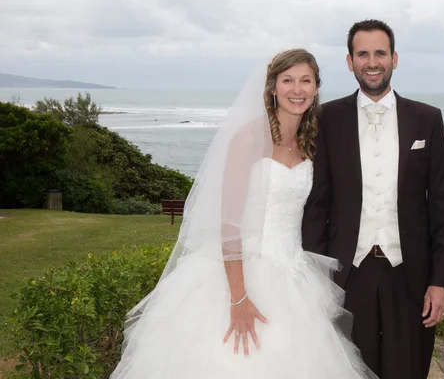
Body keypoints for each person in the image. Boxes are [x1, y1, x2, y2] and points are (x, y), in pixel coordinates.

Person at [110, 49, 376, 378]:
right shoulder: (249, 137)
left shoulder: (310, 143)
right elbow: (229, 223)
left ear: (317, 88)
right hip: (241, 277)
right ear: (273, 87)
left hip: (295, 276)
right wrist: (238, 299)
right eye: (288, 80)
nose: (297, 89)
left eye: (306, 80)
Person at [302, 19, 444, 379]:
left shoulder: (427, 119)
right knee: (350, 369)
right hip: (347, 273)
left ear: (394, 58)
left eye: (380, 53)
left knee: (409, 369)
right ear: (349, 61)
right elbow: (317, 204)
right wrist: (317, 279)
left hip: (411, 274)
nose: (372, 62)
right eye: (362, 54)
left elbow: (443, 206)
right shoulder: (326, 119)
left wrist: (441, 281)